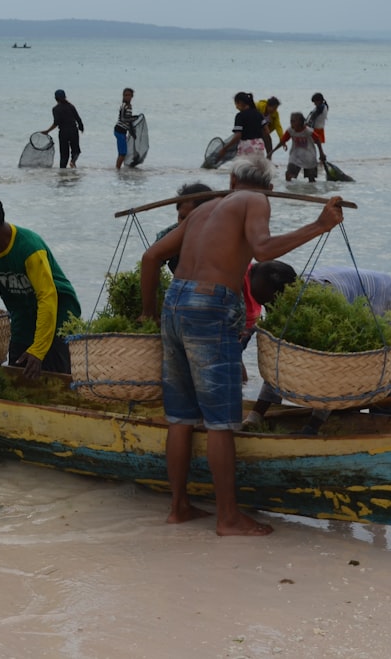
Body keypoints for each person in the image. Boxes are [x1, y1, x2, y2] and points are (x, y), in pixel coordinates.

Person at [139, 156, 343, 536]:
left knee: (181, 417)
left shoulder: (205, 209)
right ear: (267, 187)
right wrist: (319, 225)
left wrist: (148, 312)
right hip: (210, 306)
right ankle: (228, 518)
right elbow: (263, 249)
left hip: (175, 303)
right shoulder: (256, 201)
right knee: (220, 422)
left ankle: (179, 507)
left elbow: (151, 257)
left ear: (231, 179)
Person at [245, 262, 391, 431]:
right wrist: (256, 415)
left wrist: (312, 427)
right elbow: (280, 364)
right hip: (375, 306)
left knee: (384, 383)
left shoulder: (327, 310)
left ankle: (381, 434)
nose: (270, 311)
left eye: (270, 304)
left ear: (283, 294)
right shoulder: (294, 299)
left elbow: (335, 375)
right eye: (264, 305)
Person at [0, 190, 81, 379]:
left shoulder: (29, 248)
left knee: (54, 374)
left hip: (58, 311)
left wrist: (39, 350)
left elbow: (47, 298)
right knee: (17, 371)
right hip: (22, 313)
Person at [155, 182, 214, 273]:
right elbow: (152, 259)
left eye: (193, 218)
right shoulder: (169, 235)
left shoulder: (219, 235)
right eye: (182, 217)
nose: (185, 224)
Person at [214, 92, 269, 164]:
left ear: (240, 102)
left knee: (241, 170)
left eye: (236, 104)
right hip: (259, 146)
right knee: (256, 170)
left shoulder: (240, 116)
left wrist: (225, 149)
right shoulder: (258, 114)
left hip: (247, 146)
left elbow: (238, 136)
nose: (236, 107)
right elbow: (266, 131)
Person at [270, 112, 326, 182]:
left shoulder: (308, 131)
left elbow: (317, 140)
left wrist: (321, 153)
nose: (291, 123)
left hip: (309, 156)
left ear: (300, 122)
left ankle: (311, 191)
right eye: (291, 121)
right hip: (295, 156)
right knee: (288, 174)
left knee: (311, 179)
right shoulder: (290, 130)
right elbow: (282, 141)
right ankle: (289, 190)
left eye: (293, 121)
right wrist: (272, 151)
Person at [42, 89, 84, 169]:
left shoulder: (55, 109)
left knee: (64, 154)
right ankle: (72, 162)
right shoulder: (71, 106)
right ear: (65, 97)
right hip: (73, 131)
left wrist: (47, 131)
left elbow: (56, 123)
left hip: (63, 132)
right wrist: (81, 127)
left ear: (55, 98)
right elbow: (78, 119)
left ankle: (62, 173)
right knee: (76, 151)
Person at [114, 87, 137, 170]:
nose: (127, 97)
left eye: (129, 95)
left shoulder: (130, 106)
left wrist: (132, 132)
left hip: (123, 131)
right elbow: (123, 118)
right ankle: (117, 170)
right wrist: (133, 118)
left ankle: (119, 169)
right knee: (122, 153)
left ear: (132, 96)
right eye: (125, 95)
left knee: (123, 152)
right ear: (123, 96)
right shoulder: (124, 106)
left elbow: (128, 122)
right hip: (119, 130)